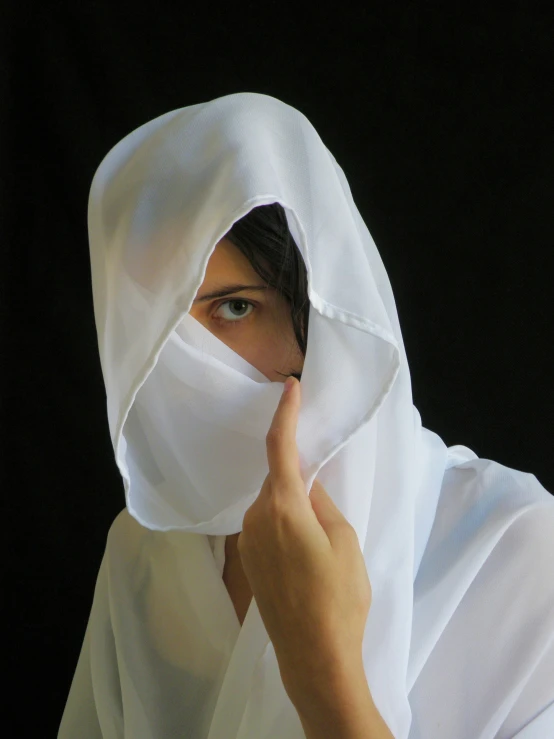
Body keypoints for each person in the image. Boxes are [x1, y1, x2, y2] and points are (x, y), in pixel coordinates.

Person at [58, 93, 554, 739]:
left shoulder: (516, 553)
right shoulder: (144, 559)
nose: (191, 372)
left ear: (328, 305)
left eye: (234, 309)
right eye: (161, 335)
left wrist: (323, 670)